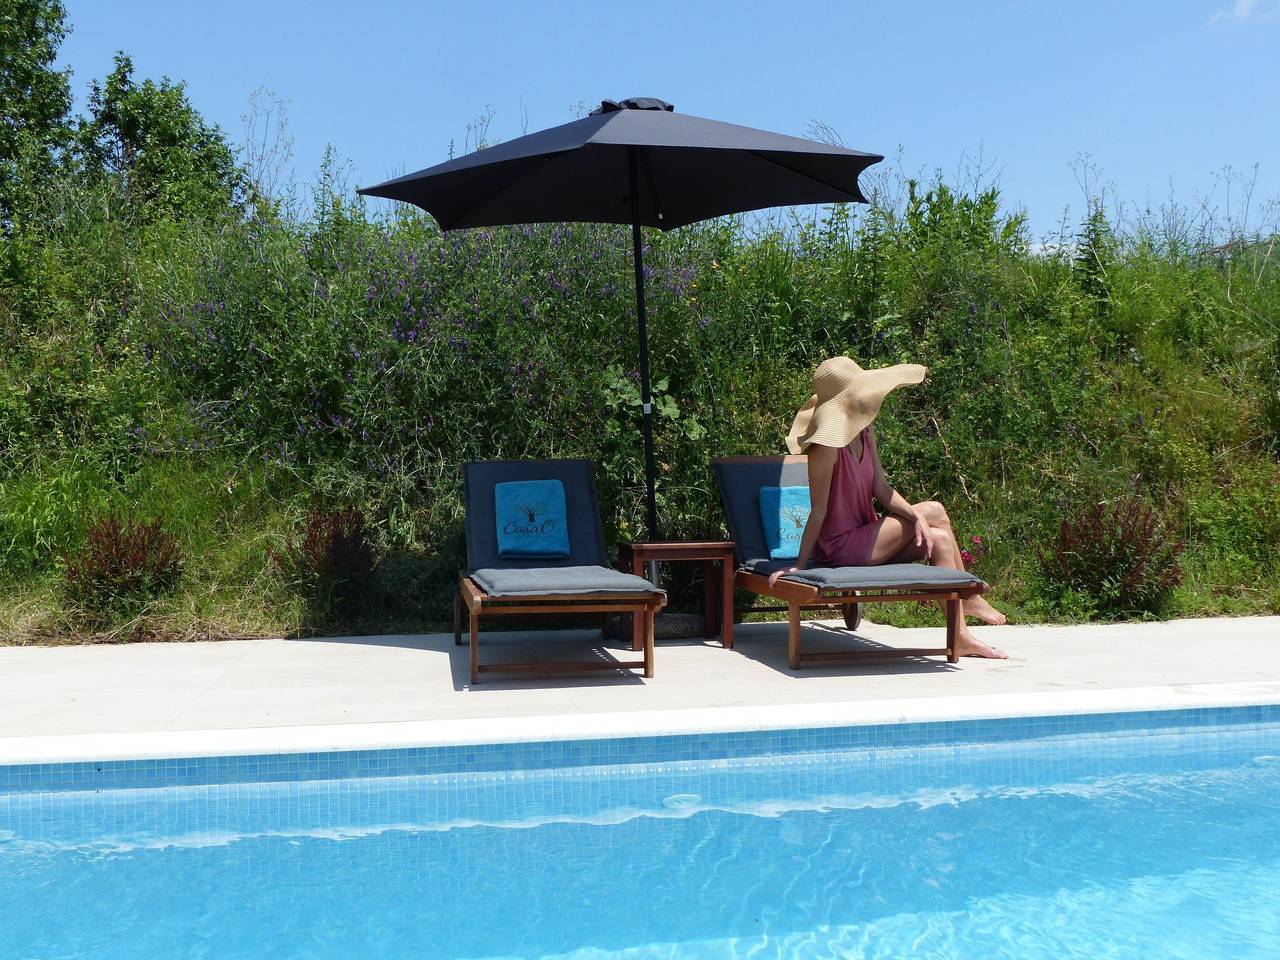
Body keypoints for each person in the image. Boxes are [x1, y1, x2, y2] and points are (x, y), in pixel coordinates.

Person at [768, 355, 1008, 659]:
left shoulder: (865, 434)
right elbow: (817, 510)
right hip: (841, 547)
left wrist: (914, 519)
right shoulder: (825, 448)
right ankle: (969, 596)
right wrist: (801, 567)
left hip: (868, 537)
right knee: (933, 509)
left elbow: (881, 489)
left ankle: (961, 635)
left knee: (942, 538)